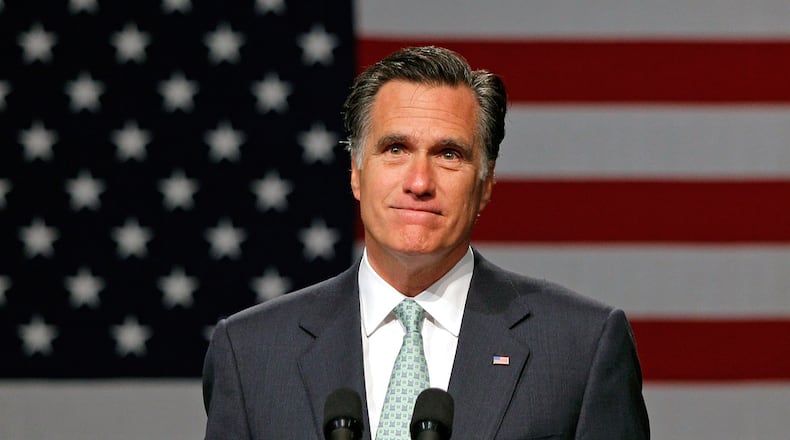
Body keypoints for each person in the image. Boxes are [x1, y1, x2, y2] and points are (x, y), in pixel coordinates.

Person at [202, 46, 650, 439]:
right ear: (356, 171)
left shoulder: (581, 347)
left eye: (449, 154)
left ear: (486, 182)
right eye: (395, 149)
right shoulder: (250, 353)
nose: (419, 182)